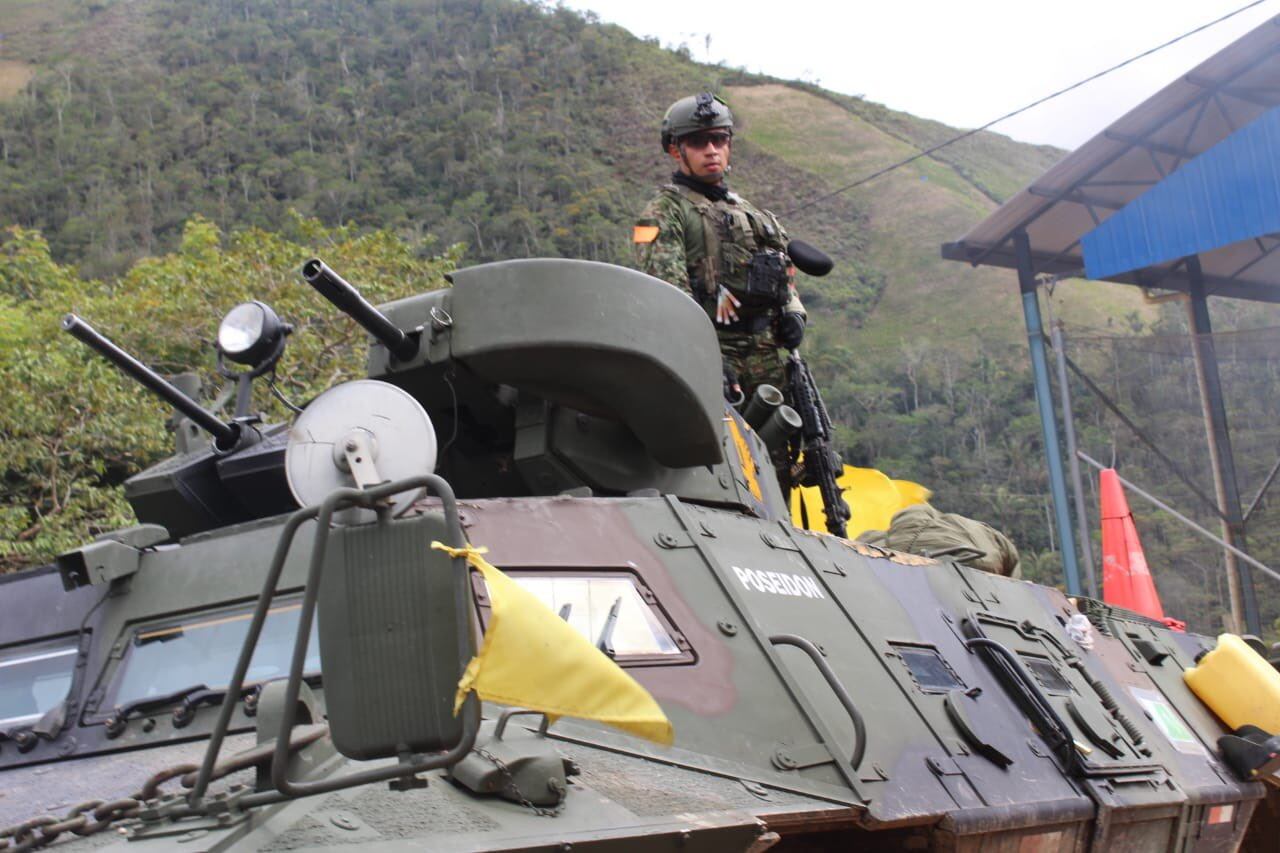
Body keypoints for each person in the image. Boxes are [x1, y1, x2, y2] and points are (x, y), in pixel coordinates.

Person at [634, 92, 805, 487]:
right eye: (698, 142)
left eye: (719, 139)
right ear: (675, 149)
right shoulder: (662, 213)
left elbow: (784, 269)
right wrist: (705, 357)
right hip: (714, 355)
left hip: (766, 353)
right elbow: (668, 294)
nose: (711, 150)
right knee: (726, 470)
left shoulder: (753, 214)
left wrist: (794, 312)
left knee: (778, 466)